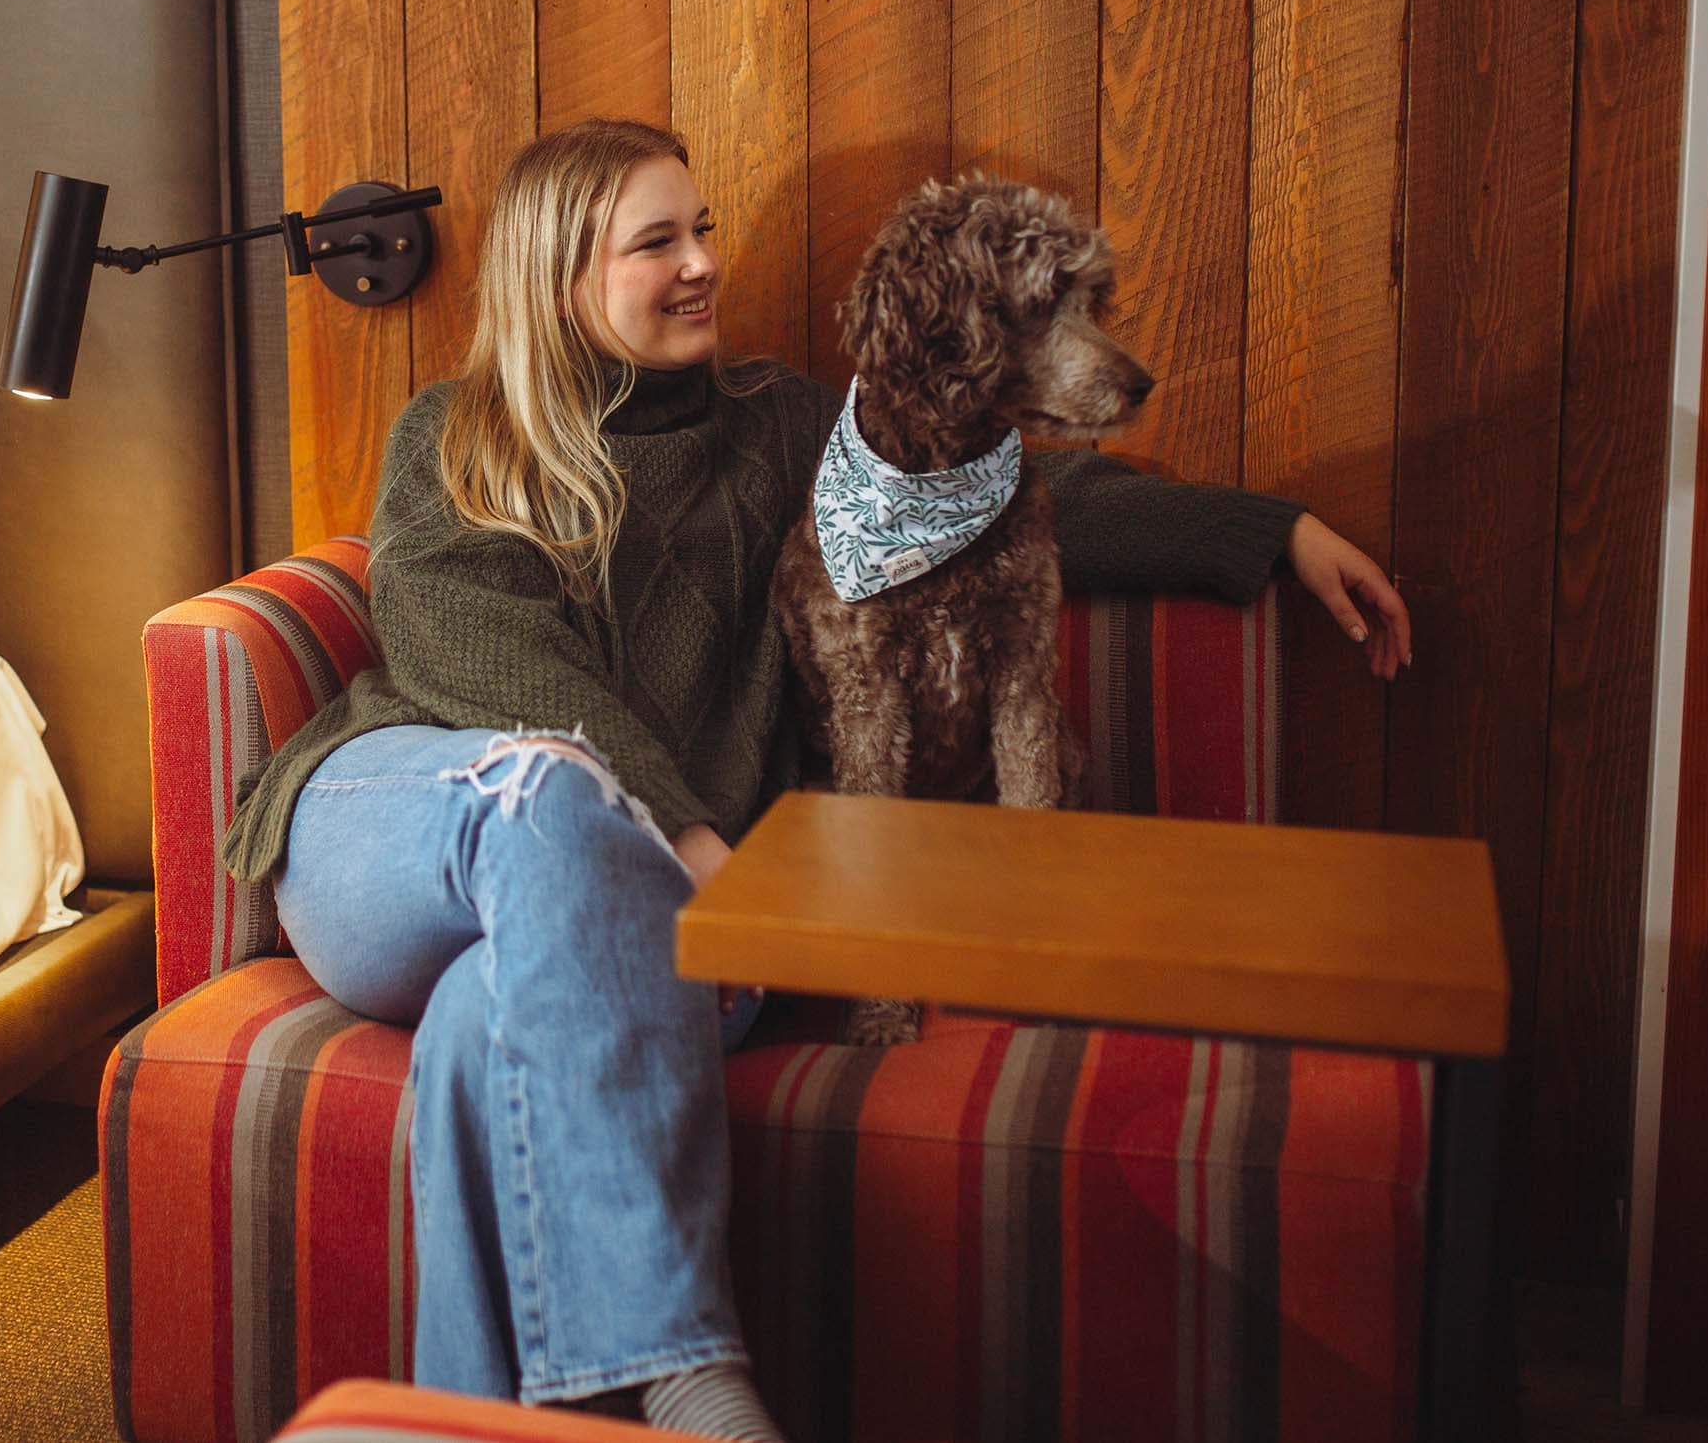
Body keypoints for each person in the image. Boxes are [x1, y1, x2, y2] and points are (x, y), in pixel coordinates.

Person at [220, 119, 1411, 1440]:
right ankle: (694, 1384)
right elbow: (481, 652)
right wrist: (689, 838)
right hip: (410, 834)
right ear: (559, 280)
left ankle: (467, 1423)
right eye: (658, 242)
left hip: (624, 923)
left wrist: (1273, 532)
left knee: (492, 1015)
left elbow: (1004, 496)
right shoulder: (458, 433)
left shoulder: (780, 428)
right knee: (551, 790)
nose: (702, 263)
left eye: (703, 229)